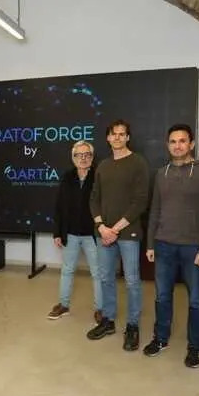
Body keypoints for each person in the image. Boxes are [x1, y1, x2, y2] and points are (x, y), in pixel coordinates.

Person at [143, 124, 199, 367]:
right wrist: (150, 243)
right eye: (173, 141)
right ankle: (160, 338)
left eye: (182, 141)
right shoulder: (161, 173)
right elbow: (155, 210)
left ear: (191, 144)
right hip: (163, 245)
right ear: (168, 145)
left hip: (193, 248)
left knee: (196, 300)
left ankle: (195, 346)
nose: (177, 145)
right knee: (162, 296)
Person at [86, 120, 149, 351]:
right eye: (114, 134)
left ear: (128, 137)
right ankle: (108, 320)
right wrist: (102, 226)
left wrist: (115, 228)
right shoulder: (103, 166)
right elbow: (94, 199)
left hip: (128, 233)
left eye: (122, 134)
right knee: (105, 278)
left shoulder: (138, 162)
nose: (118, 138)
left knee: (132, 281)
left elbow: (140, 201)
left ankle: (132, 326)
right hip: (104, 233)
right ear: (108, 138)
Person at [48, 141, 103, 323]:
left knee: (98, 273)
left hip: (93, 234)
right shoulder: (67, 177)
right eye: (79, 155)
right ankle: (63, 305)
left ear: (92, 157)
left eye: (87, 154)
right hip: (70, 233)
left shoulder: (99, 176)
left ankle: (100, 309)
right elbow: (59, 206)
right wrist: (57, 232)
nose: (83, 158)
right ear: (73, 158)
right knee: (67, 271)